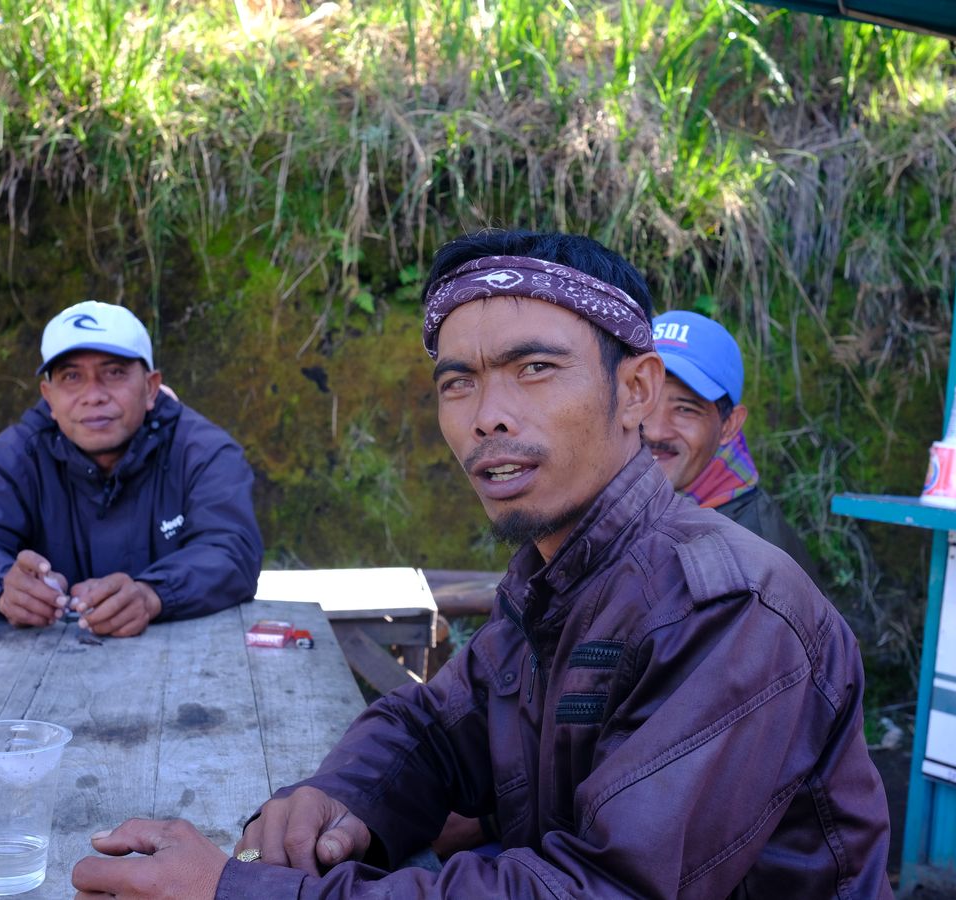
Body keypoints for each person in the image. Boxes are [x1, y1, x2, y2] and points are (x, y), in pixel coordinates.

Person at [70, 232, 893, 898]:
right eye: (457, 383)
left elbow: (605, 890)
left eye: (535, 369)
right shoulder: (553, 575)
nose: (488, 418)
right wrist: (343, 796)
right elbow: (435, 727)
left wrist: (239, 894)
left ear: (636, 391)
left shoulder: (732, 607)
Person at [0, 301, 263, 638]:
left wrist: (153, 595)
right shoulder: (14, 457)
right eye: (72, 376)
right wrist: (3, 588)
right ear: (49, 397)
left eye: (114, 372)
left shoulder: (205, 452)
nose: (93, 395)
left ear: (150, 388)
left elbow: (231, 550)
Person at [644, 309, 821, 584]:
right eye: (643, 400)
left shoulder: (757, 564)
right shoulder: (608, 505)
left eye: (684, 409)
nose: (654, 430)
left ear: (729, 425)